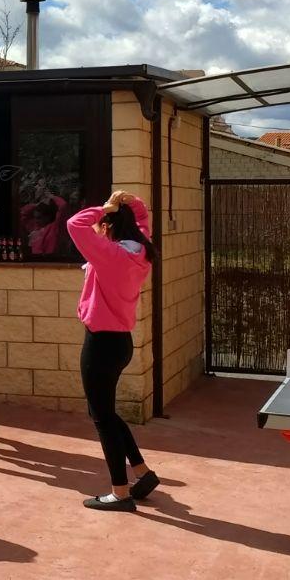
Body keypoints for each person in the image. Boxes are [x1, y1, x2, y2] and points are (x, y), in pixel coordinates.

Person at [65, 190, 161, 511]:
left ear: (108, 226)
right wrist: (130, 202)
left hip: (101, 344)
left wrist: (102, 207)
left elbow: (74, 224)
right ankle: (142, 472)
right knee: (105, 412)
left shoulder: (110, 255)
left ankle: (120, 492)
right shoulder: (141, 250)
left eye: (102, 224)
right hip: (121, 342)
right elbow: (143, 219)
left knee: (101, 417)